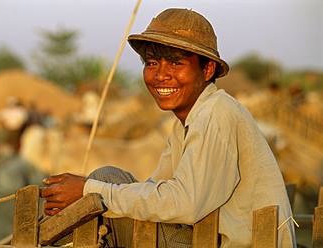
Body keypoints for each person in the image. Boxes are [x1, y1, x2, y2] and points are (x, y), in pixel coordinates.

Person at [41, 8, 296, 247]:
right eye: (151, 63)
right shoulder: (186, 122)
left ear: (207, 69)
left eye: (176, 64)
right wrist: (87, 193)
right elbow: (157, 188)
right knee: (108, 180)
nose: (160, 75)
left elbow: (185, 203)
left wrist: (89, 190)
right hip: (205, 237)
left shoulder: (216, 112)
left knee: (105, 183)